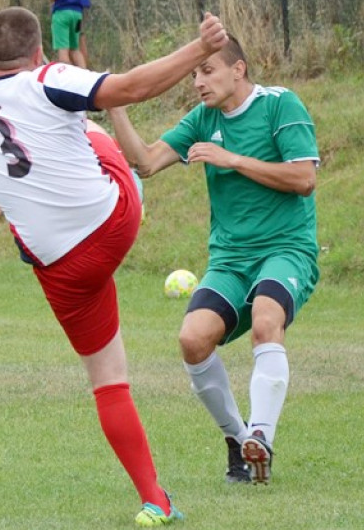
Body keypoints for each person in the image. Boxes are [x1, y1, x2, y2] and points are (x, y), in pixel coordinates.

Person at [0, 6, 230, 527]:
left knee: (107, 381)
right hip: (113, 220)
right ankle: (157, 501)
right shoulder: (51, 78)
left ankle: (154, 498)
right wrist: (201, 49)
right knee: (93, 134)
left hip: (58, 266)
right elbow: (128, 88)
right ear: (39, 53)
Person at [106, 33, 320, 486]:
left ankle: (262, 431)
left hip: (285, 249)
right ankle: (240, 442)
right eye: (194, 74)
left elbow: (304, 178)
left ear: (237, 70)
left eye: (207, 71)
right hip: (230, 259)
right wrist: (115, 105)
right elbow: (144, 162)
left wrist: (232, 159)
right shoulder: (202, 119)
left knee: (266, 320)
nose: (198, 83)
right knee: (192, 340)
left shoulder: (281, 105)